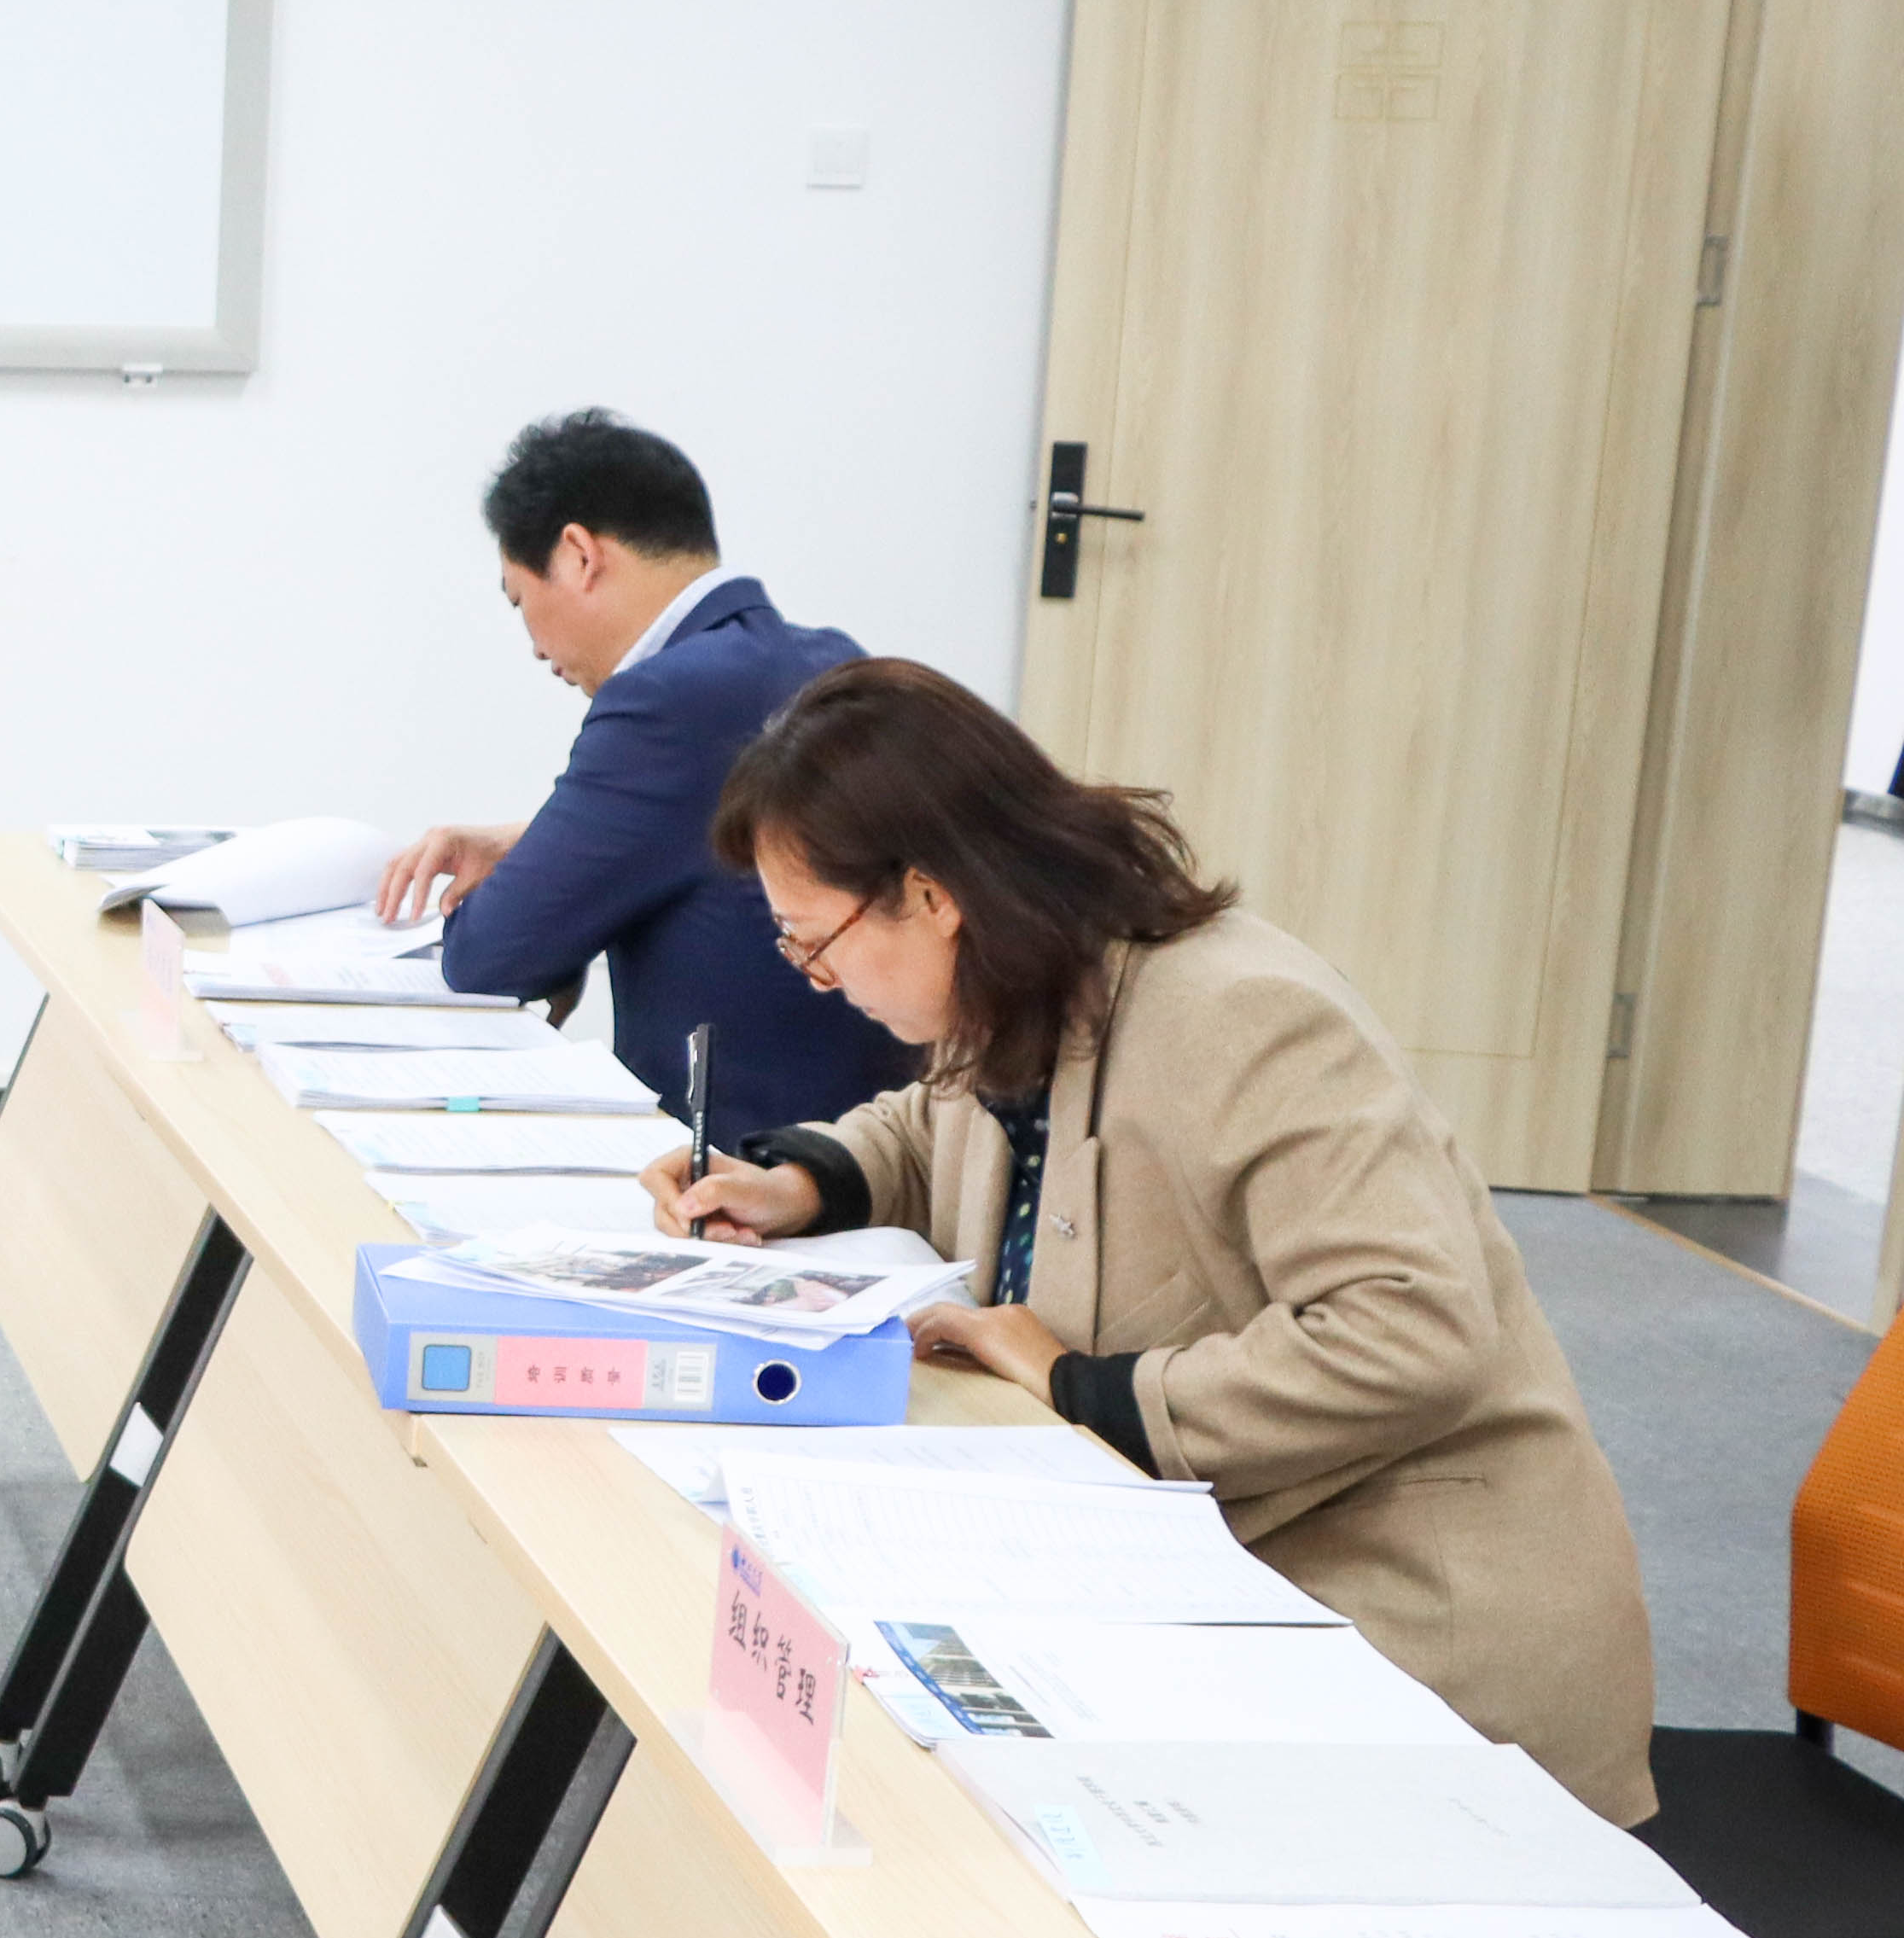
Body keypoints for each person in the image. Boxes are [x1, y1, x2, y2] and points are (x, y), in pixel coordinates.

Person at [650, 658, 1658, 1819]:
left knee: (946, 1790)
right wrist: (800, 1181)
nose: (816, 980)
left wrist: (1080, 1386)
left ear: (929, 895)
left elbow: (1411, 1333)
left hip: (1406, 1617)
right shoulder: (1027, 989)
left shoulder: (1242, 1017)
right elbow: (935, 1126)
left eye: (810, 941)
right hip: (1201, 1563)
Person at [375, 410, 916, 1132]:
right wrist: (526, 842)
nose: (534, 647)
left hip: (730, 1158)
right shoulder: (827, 657)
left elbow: (489, 959)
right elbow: (696, 830)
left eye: (519, 599)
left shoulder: (664, 700)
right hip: (856, 1140)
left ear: (578, 555)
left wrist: (527, 894)